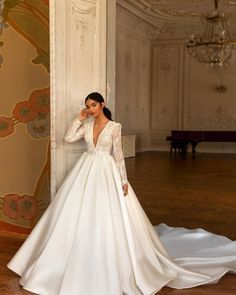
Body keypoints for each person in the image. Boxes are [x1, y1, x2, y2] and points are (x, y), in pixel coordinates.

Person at [7, 92, 236, 295]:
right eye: (87, 106)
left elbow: (118, 155)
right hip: (86, 168)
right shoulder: (86, 124)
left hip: (106, 170)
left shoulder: (115, 127)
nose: (90, 109)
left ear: (102, 104)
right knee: (76, 211)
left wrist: (124, 181)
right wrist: (78, 119)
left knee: (110, 214)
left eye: (93, 105)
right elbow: (68, 139)